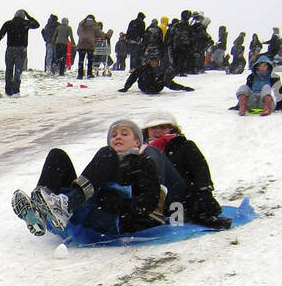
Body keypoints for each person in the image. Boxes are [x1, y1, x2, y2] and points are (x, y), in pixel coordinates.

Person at [12, 119, 164, 237]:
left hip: (111, 216)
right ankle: (41, 213)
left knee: (107, 154)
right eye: (113, 135)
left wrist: (115, 204)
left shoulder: (143, 162)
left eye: (124, 134)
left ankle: (67, 205)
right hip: (89, 207)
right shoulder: (105, 161)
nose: (117, 137)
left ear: (137, 142)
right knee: (57, 155)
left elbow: (149, 201)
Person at [140, 111, 231, 228]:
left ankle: (156, 204)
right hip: (151, 198)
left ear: (172, 129)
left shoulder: (183, 145)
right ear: (147, 132)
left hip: (179, 197)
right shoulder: (141, 150)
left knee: (152, 152)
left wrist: (204, 193)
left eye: (163, 127)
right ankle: (150, 207)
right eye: (153, 128)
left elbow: (200, 170)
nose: (157, 131)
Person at [0, 9, 40, 97]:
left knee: (9, 69)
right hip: (21, 50)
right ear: (23, 16)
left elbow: (0, 35)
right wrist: (28, 15)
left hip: (10, 49)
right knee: (18, 70)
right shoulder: (26, 23)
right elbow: (37, 25)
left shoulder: (8, 23)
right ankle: (15, 90)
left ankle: (8, 90)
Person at [118, 44, 195, 94]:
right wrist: (126, 87)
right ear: (149, 62)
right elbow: (133, 77)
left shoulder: (160, 71)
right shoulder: (144, 68)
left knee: (164, 77)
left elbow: (169, 83)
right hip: (145, 87)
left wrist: (183, 88)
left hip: (156, 88)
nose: (154, 63)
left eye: (156, 62)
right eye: (152, 61)